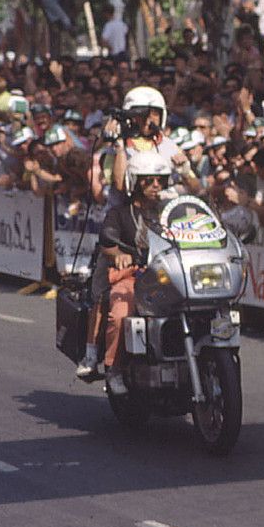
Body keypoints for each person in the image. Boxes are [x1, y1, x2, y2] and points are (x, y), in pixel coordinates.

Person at [97, 151, 171, 395]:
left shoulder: (169, 211)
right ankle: (113, 368)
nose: (156, 185)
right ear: (134, 181)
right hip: (135, 276)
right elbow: (108, 242)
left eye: (160, 180)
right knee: (119, 312)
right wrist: (118, 255)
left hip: (170, 276)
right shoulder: (119, 213)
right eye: (149, 180)